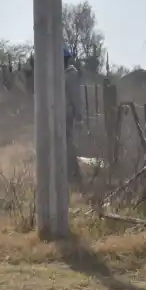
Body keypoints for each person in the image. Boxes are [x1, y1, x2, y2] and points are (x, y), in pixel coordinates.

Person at [64, 47, 84, 186]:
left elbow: (76, 96)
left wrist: (79, 115)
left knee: (66, 144)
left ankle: (74, 175)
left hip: (66, 114)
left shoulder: (71, 74)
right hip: (54, 114)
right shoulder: (55, 73)